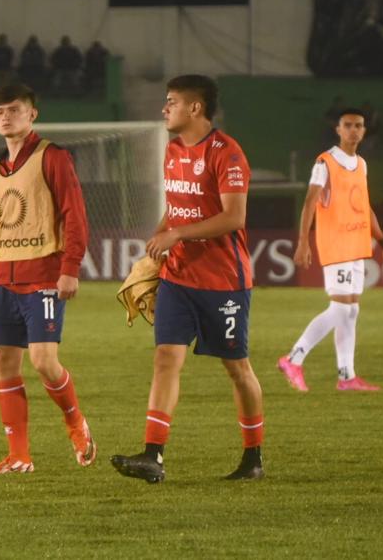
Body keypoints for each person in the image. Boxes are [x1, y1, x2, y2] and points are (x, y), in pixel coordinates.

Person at [111, 75, 265, 483]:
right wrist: (161, 236)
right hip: (179, 277)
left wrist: (176, 233)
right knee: (165, 359)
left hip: (223, 282)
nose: (165, 108)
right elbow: (177, 208)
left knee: (237, 369)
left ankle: (253, 458)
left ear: (195, 108)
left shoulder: (226, 154)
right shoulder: (173, 150)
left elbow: (234, 217)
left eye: (171, 102)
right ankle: (152, 454)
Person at [0, 83, 96, 474]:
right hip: (3, 278)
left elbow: (75, 215)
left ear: (32, 115)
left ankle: (75, 422)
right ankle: (19, 456)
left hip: (44, 275)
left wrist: (70, 268)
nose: (5, 116)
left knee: (44, 361)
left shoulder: (53, 157)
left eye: (14, 110)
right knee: (4, 362)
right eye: (0, 111)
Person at [277, 109, 383, 392]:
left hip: (356, 244)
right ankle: (294, 358)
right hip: (336, 243)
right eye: (348, 126)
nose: (354, 130)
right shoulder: (325, 162)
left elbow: (364, 207)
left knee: (350, 310)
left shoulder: (361, 164)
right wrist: (303, 241)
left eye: (359, 126)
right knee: (342, 309)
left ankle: (347, 377)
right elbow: (309, 203)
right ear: (338, 130)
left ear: (364, 131)